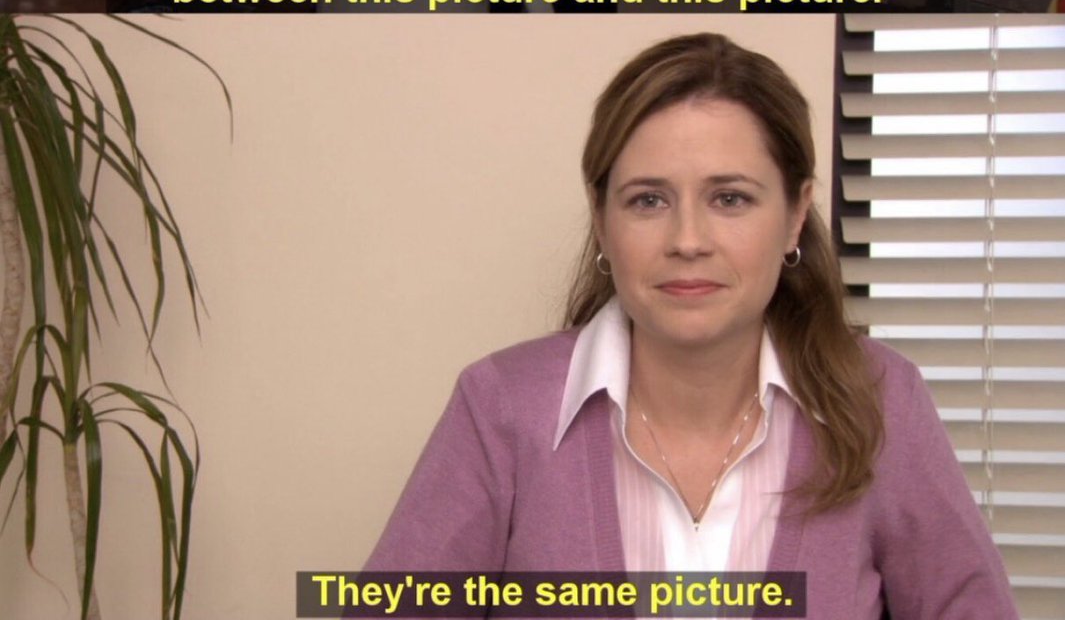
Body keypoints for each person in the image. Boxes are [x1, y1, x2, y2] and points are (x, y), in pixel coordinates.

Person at [365, 33, 1019, 619]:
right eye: (648, 200)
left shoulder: (882, 399)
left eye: (728, 198)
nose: (687, 240)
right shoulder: (499, 406)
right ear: (601, 219)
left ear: (794, 215)